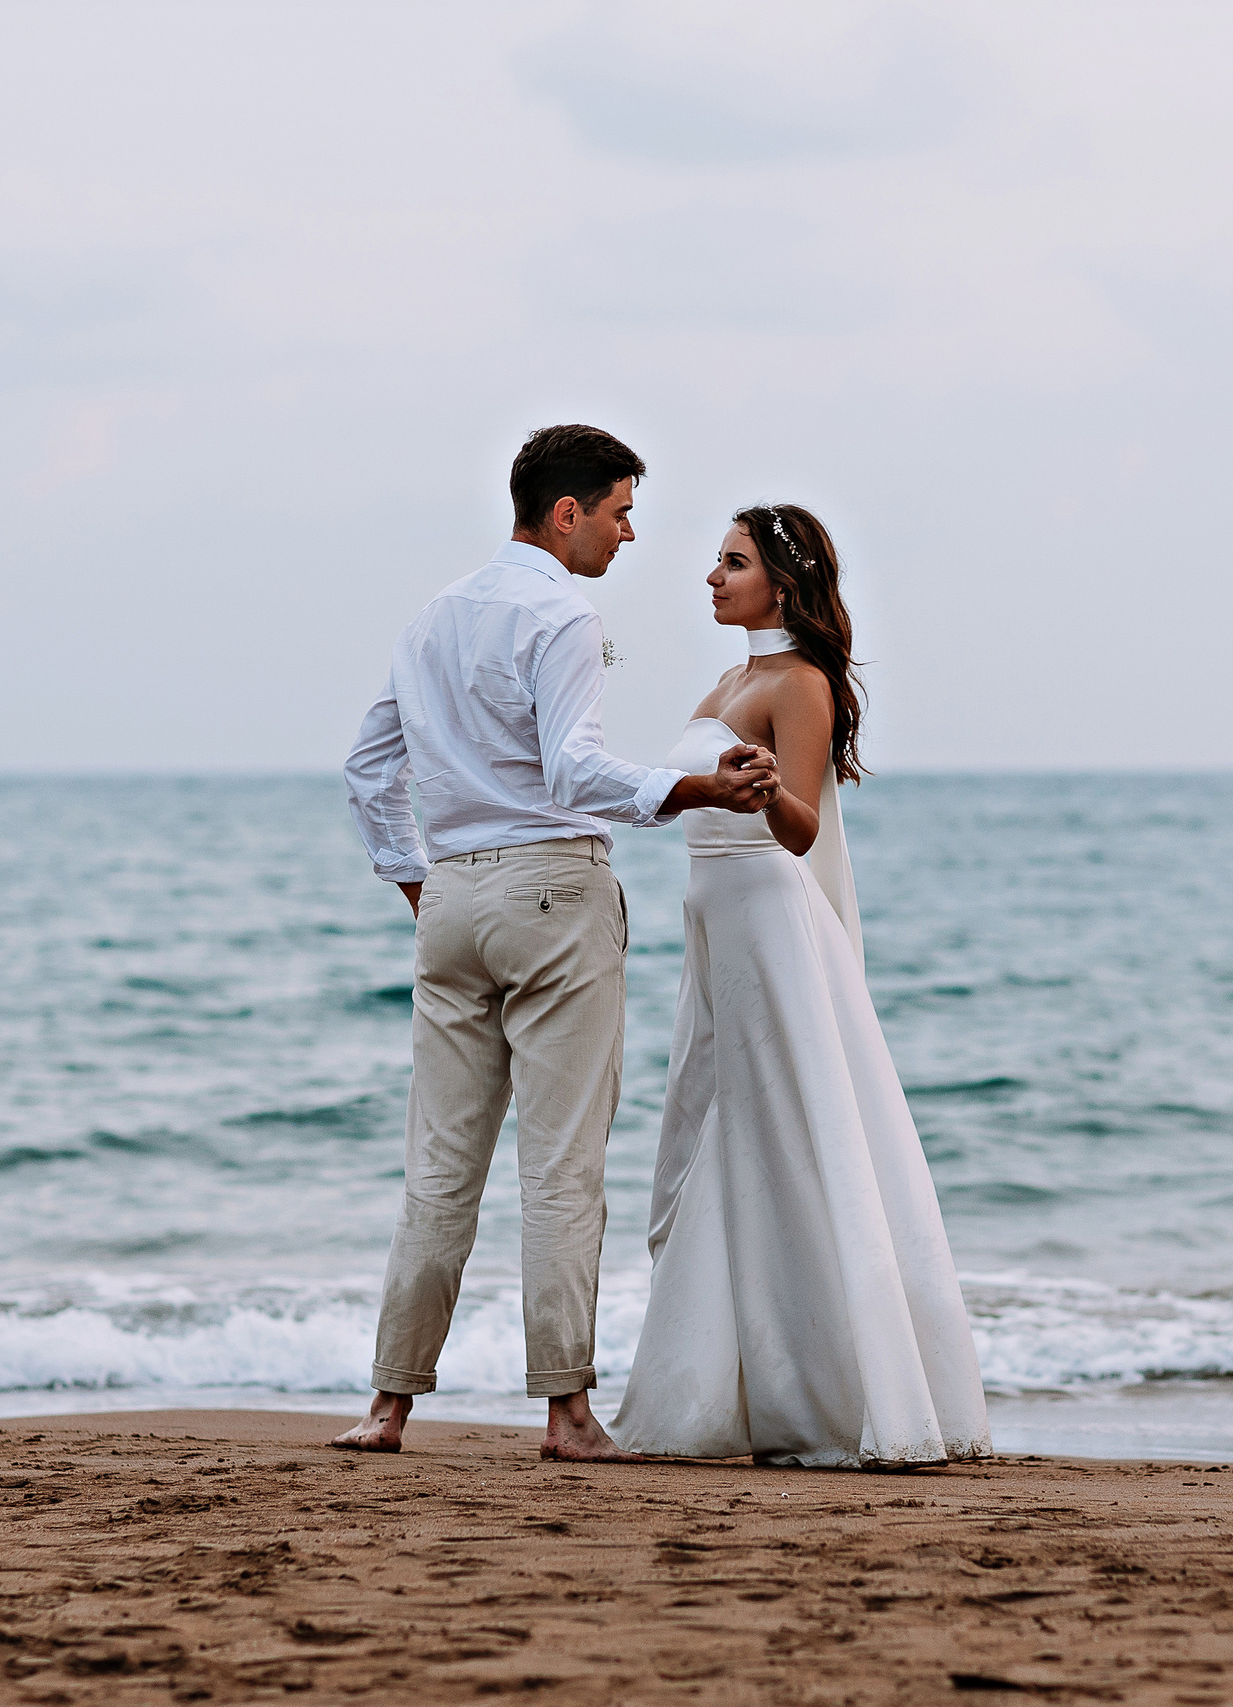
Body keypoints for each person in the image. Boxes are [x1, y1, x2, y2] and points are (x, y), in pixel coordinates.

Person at [336, 425, 777, 1460]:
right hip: (550, 890)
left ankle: (388, 1406)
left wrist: (416, 882)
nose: (629, 535)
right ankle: (567, 1412)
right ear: (566, 513)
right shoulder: (563, 615)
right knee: (562, 1166)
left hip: (449, 898)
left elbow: (366, 770)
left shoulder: (433, 616)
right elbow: (572, 771)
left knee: (440, 1165)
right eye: (620, 512)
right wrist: (696, 788)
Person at [609, 505, 992, 1468]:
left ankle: (825, 1391)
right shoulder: (732, 676)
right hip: (715, 926)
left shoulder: (801, 681)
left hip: (769, 921)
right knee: (713, 1138)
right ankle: (732, 1382)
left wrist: (761, 782)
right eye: (716, 561)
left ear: (782, 582)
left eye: (731, 562)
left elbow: (801, 828)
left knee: (788, 1134)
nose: (710, 577)